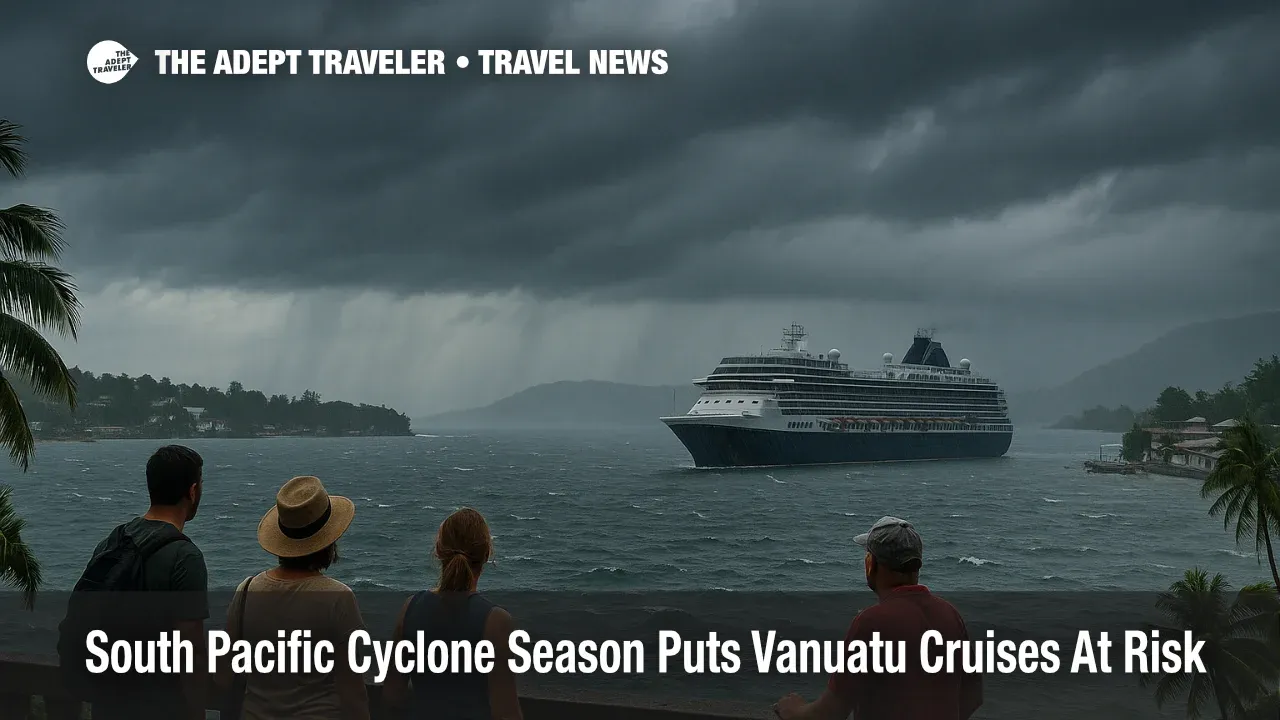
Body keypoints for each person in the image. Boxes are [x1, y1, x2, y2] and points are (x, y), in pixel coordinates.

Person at [774, 516, 982, 720]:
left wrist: (792, 710)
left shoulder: (872, 622)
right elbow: (973, 698)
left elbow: (832, 712)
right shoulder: (950, 614)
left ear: (871, 563)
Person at [58, 444, 209, 720]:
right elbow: (191, 654)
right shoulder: (185, 556)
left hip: (109, 704)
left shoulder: (114, 541)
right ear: (192, 491)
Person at [223, 475, 369, 720]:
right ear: (329, 540)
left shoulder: (246, 590)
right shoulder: (338, 598)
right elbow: (352, 689)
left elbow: (224, 674)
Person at [383, 507, 523, 720]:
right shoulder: (496, 621)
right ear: (486, 554)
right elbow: (506, 713)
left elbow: (392, 696)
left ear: (439, 551)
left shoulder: (410, 608)